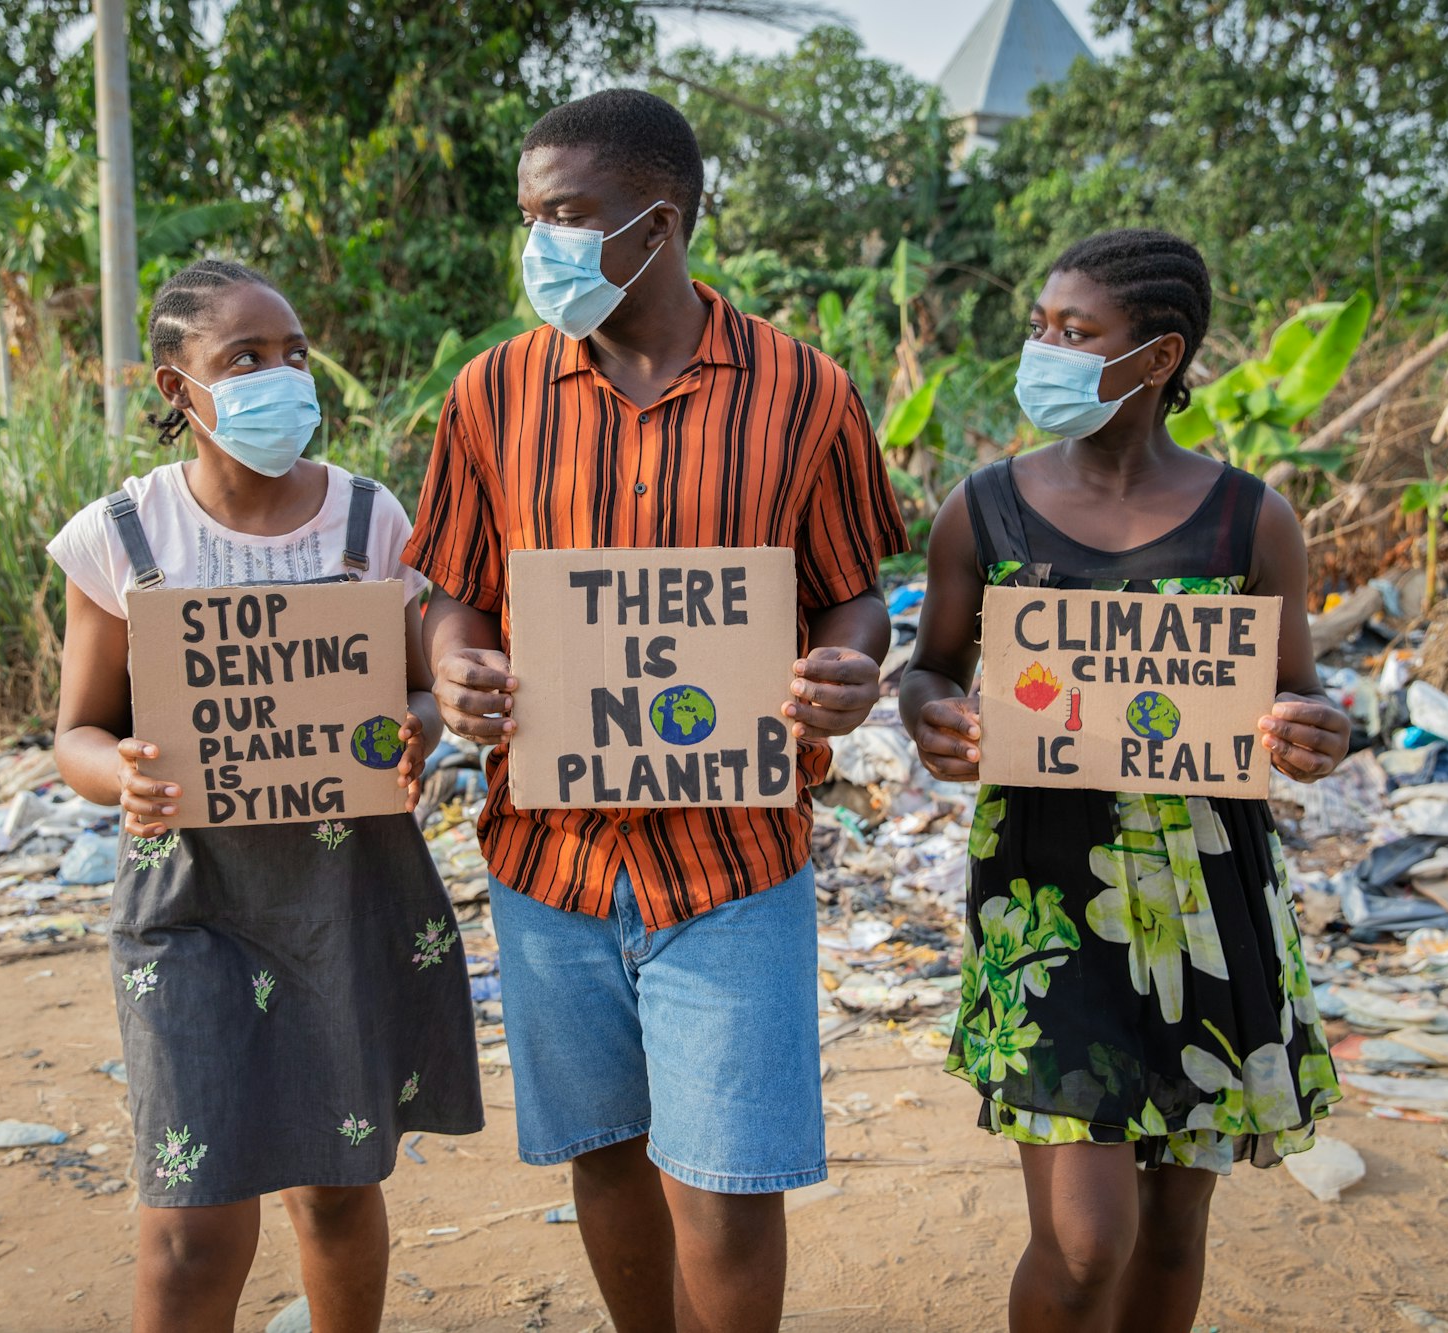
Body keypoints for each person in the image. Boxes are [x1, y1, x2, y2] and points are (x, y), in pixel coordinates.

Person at [402, 90, 908, 1333]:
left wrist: (848, 668)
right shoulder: (490, 395)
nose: (540, 245)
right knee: (605, 1153)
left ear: (657, 221)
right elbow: (451, 596)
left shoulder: (804, 392)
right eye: (529, 218)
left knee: (729, 1186)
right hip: (548, 858)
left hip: (730, 860)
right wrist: (459, 664)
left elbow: (853, 599)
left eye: (566, 215)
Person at [898, 230, 1347, 1333]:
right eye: (1037, 326)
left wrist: (1317, 730)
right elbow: (926, 672)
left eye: (1073, 332)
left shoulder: (1250, 519)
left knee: (1169, 1230)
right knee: (1089, 1241)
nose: (1040, 349)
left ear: (1155, 359)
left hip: (1207, 905)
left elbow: (1303, 696)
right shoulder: (984, 507)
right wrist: (932, 721)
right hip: (1045, 903)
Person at [47, 258, 483, 1333]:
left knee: (336, 1187)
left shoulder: (372, 523)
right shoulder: (122, 535)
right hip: (189, 901)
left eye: (292, 354)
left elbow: (422, 695)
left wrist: (409, 736)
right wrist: (126, 781)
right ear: (173, 387)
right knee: (191, 1213)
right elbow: (76, 735)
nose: (279, 377)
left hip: (347, 891)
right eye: (243, 358)